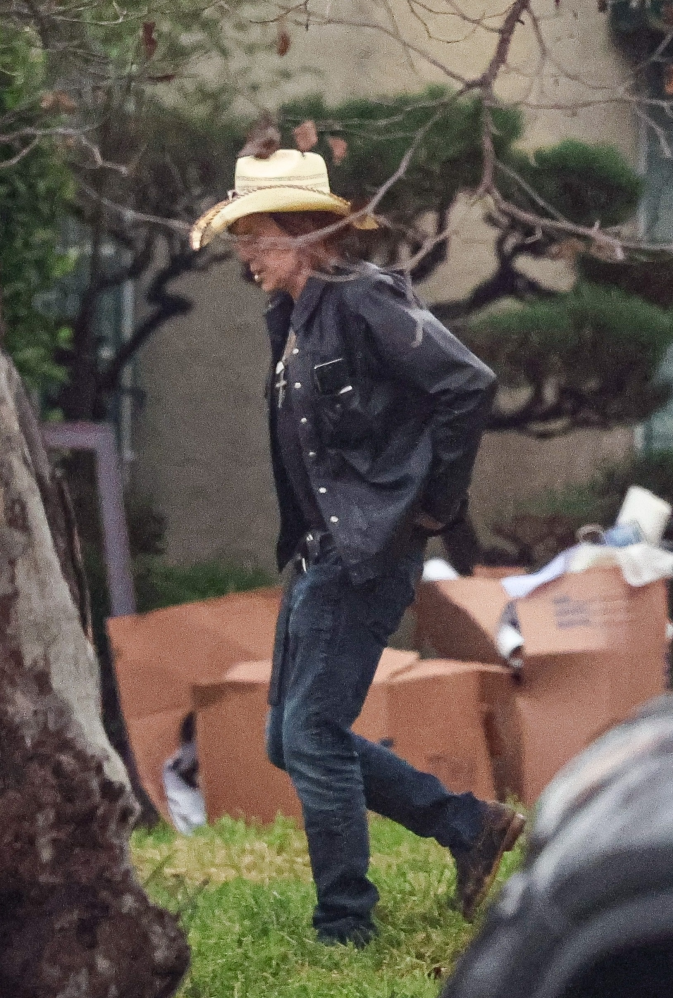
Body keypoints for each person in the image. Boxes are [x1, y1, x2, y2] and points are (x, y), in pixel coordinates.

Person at [190, 141, 525, 947]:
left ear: (304, 234)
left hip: (364, 553)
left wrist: (434, 504)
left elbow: (466, 383)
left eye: (256, 236)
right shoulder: (295, 317)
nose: (245, 254)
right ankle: (467, 825)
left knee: (310, 734)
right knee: (289, 737)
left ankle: (345, 923)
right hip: (320, 552)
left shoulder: (362, 297)